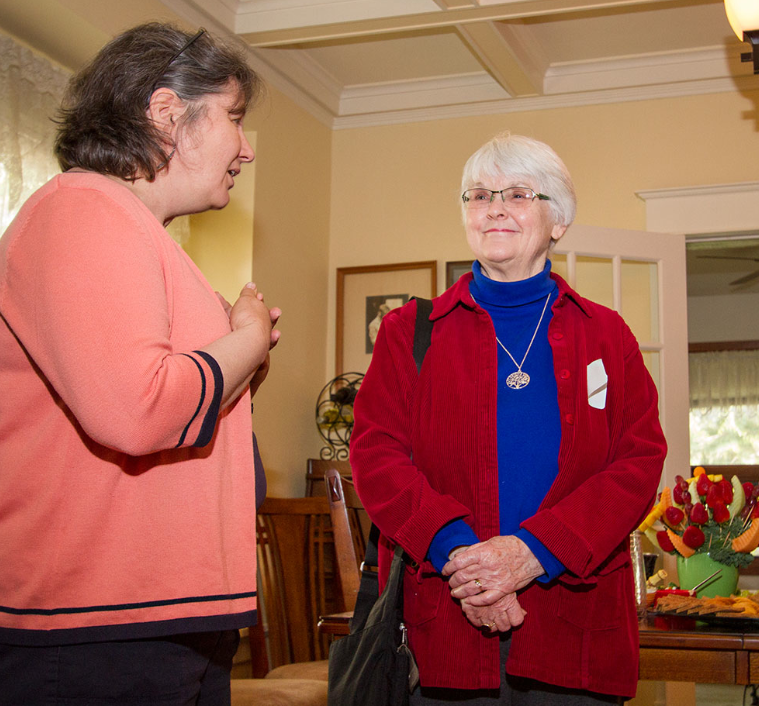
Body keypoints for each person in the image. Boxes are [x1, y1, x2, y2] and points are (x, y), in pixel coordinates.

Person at [0, 23, 280, 704]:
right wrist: (245, 340)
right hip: (96, 624)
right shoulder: (82, 210)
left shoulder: (135, 231)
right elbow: (136, 408)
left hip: (148, 612)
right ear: (166, 114)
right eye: (234, 118)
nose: (245, 149)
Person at [349, 133, 666, 704]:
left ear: (559, 220)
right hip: (441, 632)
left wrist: (531, 554)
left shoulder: (607, 335)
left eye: (519, 193)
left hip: (576, 633)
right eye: (478, 195)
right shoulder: (407, 334)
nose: (494, 207)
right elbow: (377, 458)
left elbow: (638, 462)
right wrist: (463, 561)